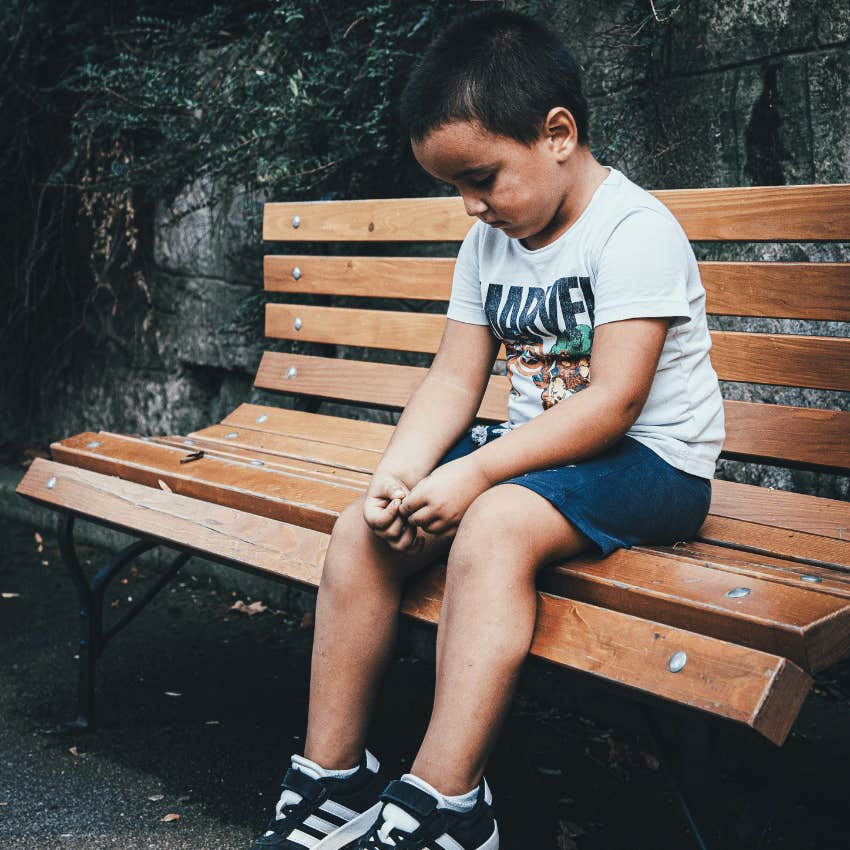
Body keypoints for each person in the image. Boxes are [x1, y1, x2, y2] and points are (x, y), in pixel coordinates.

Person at [250, 8, 725, 850]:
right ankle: (333, 774)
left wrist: (474, 476)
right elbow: (453, 378)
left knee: (494, 523)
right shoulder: (490, 245)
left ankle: (448, 800)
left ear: (557, 134)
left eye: (481, 178)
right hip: (538, 464)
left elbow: (614, 402)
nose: (470, 206)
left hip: (652, 466)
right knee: (365, 532)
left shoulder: (635, 232)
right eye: (454, 188)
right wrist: (402, 472)